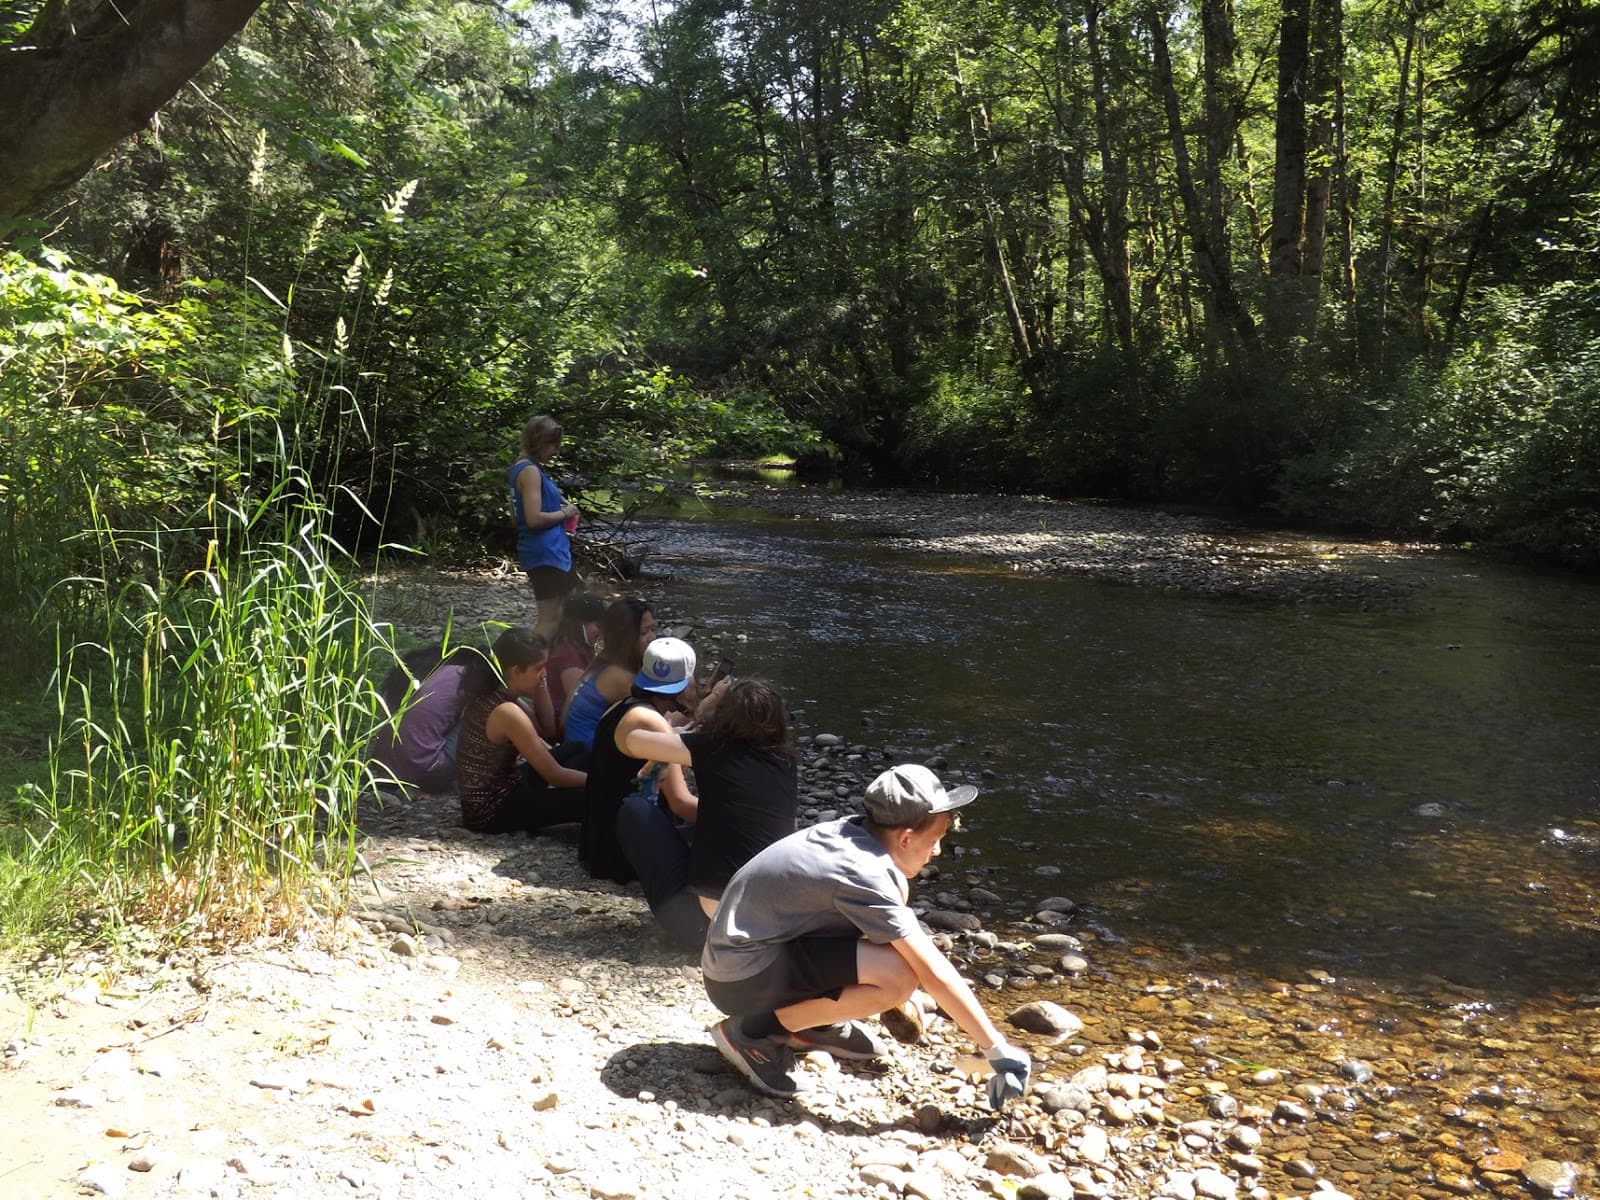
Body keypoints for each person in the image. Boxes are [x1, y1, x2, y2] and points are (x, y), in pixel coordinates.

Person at [701, 764, 1033, 1106]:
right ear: (905, 837)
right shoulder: (865, 873)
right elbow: (932, 970)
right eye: (935, 841)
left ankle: (812, 1023)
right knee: (898, 979)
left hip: (746, 954)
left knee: (897, 940)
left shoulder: (857, 836)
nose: (936, 852)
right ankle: (756, 1032)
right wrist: (996, 1048)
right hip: (739, 978)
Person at [616, 678, 799, 951]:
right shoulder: (786, 761)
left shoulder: (711, 747)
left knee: (635, 811)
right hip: (771, 930)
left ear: (723, 717)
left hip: (704, 932)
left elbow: (627, 740)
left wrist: (639, 713)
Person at [578, 637, 700, 885]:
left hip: (597, 846)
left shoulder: (619, 707)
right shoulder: (655, 724)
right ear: (683, 684)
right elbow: (681, 804)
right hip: (625, 858)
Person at [454, 627, 589, 833]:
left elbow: (547, 730)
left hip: (508, 786)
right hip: (491, 810)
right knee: (590, 797)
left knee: (576, 749)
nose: (544, 674)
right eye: (539, 668)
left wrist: (539, 682)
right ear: (515, 671)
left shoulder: (498, 693)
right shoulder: (506, 712)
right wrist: (601, 781)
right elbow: (554, 775)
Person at [368, 643, 476, 793]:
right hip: (427, 773)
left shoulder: (416, 670)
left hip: (384, 767)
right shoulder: (463, 675)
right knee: (479, 710)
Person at [510, 414, 579, 642]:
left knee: (563, 613)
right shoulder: (529, 471)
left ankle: (550, 665)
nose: (556, 451)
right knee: (549, 620)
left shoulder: (529, 469)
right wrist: (565, 514)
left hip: (553, 552)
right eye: (552, 445)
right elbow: (533, 519)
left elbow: (515, 517)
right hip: (545, 554)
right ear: (538, 442)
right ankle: (527, 665)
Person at [560, 597, 657, 749]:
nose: (652, 638)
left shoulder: (607, 661)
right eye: (644, 632)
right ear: (625, 637)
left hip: (581, 748)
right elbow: (653, 722)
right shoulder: (621, 678)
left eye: (653, 629)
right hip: (587, 759)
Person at [545, 591, 607, 738]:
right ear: (580, 624)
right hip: (565, 726)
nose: (602, 633)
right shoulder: (567, 654)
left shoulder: (580, 647)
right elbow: (582, 700)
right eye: (598, 626)